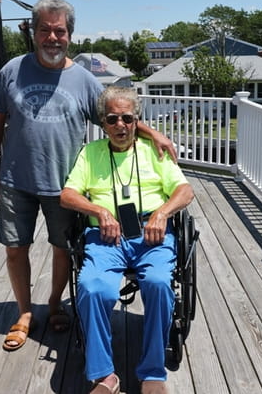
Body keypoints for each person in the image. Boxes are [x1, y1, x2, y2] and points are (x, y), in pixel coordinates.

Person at [0, 0, 177, 352]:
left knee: (62, 249)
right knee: (15, 249)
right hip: (16, 179)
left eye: (60, 31)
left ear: (70, 35)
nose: (52, 38)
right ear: (33, 32)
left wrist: (153, 134)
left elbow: (117, 115)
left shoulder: (85, 80)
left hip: (65, 183)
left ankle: (56, 304)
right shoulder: (12, 70)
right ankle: (25, 312)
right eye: (45, 30)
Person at [60, 86, 194, 394]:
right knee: (93, 288)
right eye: (112, 119)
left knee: (160, 283)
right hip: (105, 236)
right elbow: (67, 195)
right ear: (103, 123)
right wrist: (98, 211)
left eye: (127, 118)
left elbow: (185, 191)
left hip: (152, 233)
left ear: (136, 121)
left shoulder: (154, 150)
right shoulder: (90, 153)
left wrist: (162, 214)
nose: (120, 125)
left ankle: (152, 372)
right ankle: (104, 376)